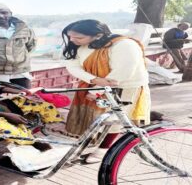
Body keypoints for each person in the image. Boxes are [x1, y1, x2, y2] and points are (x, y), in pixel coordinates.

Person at [62, 19, 151, 148]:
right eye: (70, 36)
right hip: (93, 84)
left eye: (78, 37)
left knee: (113, 120)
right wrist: (94, 80)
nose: (72, 40)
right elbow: (72, 66)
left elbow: (122, 73)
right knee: (93, 118)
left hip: (122, 88)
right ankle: (89, 144)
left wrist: (96, 91)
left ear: (98, 35)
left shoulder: (124, 45)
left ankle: (104, 149)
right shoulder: (80, 45)